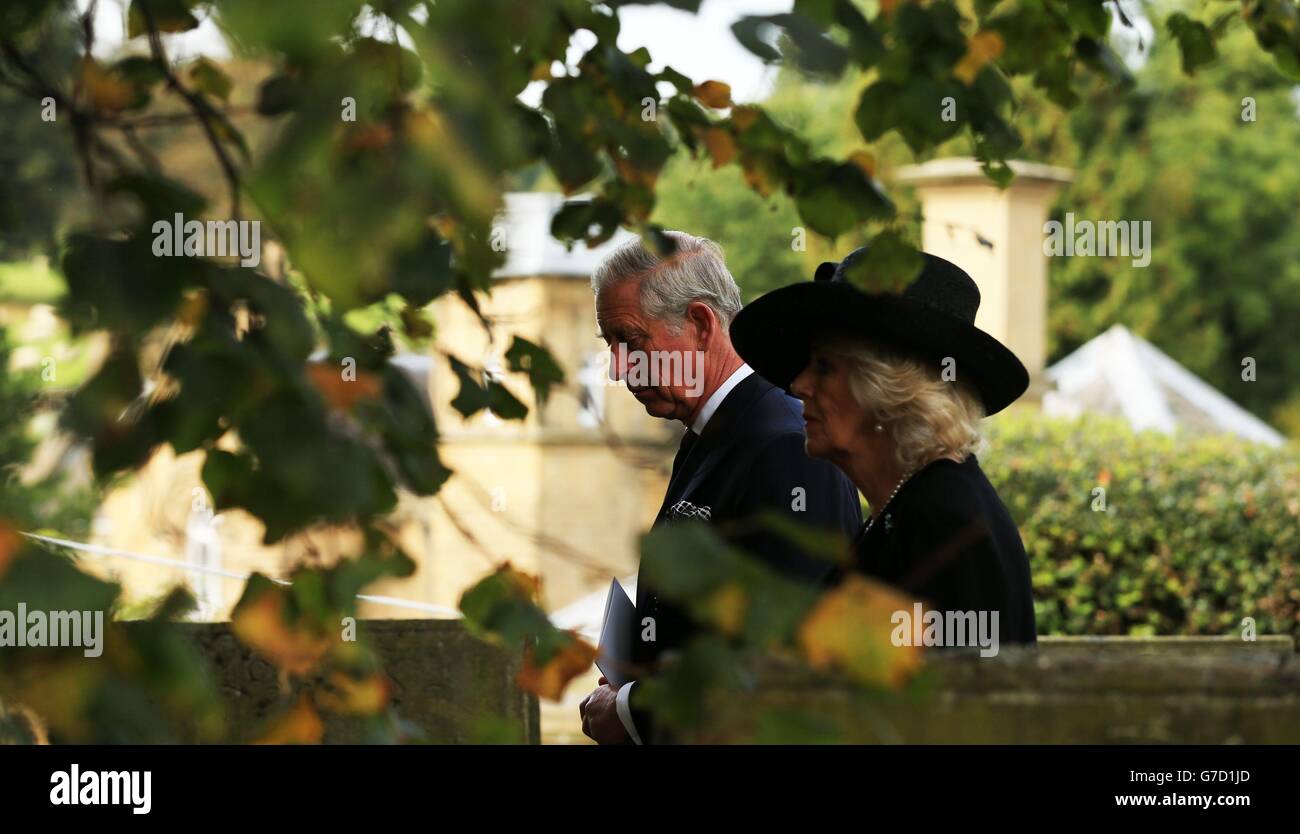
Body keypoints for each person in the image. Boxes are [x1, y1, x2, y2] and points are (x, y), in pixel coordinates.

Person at [578, 232, 863, 744]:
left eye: (631, 341)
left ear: (701, 323)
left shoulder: (786, 446)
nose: (618, 369)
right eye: (611, 346)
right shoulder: (713, 431)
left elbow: (785, 665)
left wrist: (630, 711)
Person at [729, 248, 1037, 649]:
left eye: (824, 366)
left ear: (891, 391)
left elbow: (953, 703)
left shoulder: (943, 519)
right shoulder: (911, 504)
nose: (798, 384)